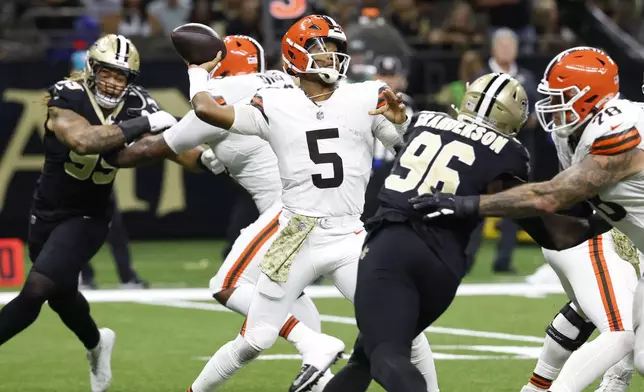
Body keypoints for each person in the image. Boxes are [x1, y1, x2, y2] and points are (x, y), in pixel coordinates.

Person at [185, 14, 439, 392]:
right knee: (255, 339)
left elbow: (407, 150)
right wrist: (197, 70)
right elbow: (207, 110)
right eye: (321, 49)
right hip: (295, 233)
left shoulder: (365, 95)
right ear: (295, 54)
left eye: (335, 49)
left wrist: (402, 122)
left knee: (406, 328)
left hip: (350, 234)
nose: (331, 56)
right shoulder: (274, 102)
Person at [105, 34, 342, 389]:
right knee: (259, 332)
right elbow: (204, 160)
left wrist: (115, 142)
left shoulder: (223, 99)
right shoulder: (277, 85)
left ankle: (314, 345)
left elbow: (147, 150)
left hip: (291, 212)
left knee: (227, 285)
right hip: (326, 208)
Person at [411, 46, 644, 385]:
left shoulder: (619, 131)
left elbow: (552, 196)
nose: (552, 105)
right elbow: (576, 205)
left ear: (591, 97)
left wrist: (469, 204)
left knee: (621, 334)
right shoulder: (576, 133)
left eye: (562, 96)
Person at [325, 73, 534, 391]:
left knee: (385, 355)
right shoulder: (512, 152)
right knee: (365, 356)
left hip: (395, 245)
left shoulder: (425, 120)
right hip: (446, 266)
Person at [0, 34, 182, 391]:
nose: (114, 82)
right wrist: (145, 123)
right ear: (91, 70)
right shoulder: (68, 95)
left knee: (36, 289)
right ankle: (97, 344)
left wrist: (204, 156)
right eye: (107, 72)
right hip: (46, 210)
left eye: (122, 76)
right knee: (61, 295)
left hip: (88, 215)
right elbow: (84, 141)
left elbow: (154, 148)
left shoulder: (138, 103)